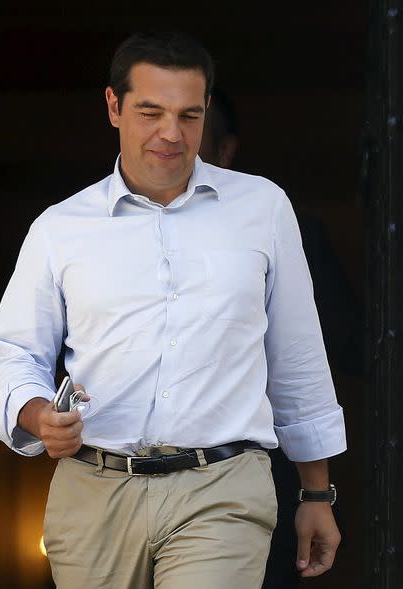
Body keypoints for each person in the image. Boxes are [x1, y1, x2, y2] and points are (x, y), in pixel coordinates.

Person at [0, 32, 346, 589]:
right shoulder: (60, 228)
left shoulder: (264, 208)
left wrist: (316, 492)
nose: (171, 135)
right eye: (150, 112)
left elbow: (297, 357)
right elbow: (16, 353)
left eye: (189, 115)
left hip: (222, 485)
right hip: (94, 488)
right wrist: (38, 416)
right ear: (113, 107)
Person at [199, 88, 362, 589]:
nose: (170, 140)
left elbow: (329, 351)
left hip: (258, 471)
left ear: (225, 151)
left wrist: (316, 493)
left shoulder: (288, 228)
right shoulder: (94, 225)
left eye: (190, 125)